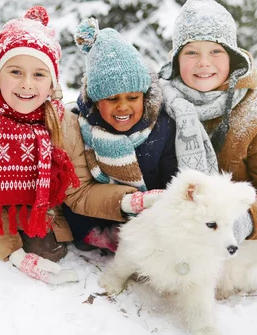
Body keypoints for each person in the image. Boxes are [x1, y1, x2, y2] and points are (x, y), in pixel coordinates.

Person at [0, 6, 142, 285]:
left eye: (39, 74)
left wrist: (126, 200)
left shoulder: (63, 125)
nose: (27, 85)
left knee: (49, 250)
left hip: (40, 209)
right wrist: (14, 254)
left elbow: (79, 193)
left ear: (52, 81)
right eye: (15, 71)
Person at [158, 0, 257, 295]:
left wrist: (244, 222)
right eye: (191, 52)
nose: (203, 63)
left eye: (215, 51)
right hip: (191, 224)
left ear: (233, 58)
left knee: (237, 280)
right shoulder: (162, 103)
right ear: (175, 59)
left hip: (247, 233)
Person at [62, 18, 178, 252]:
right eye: (112, 99)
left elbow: (173, 177)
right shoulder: (80, 128)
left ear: (144, 97)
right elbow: (77, 190)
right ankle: (95, 235)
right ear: (95, 101)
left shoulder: (162, 127)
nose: (123, 107)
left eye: (133, 98)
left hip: (151, 213)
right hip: (97, 215)